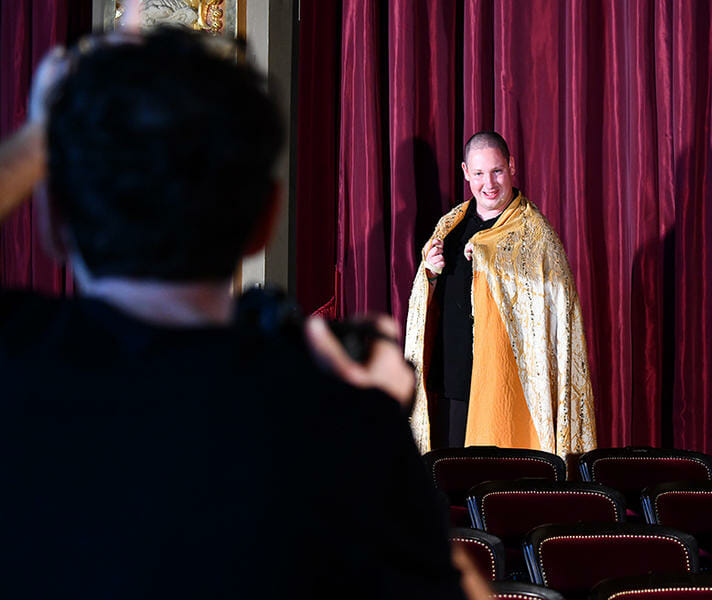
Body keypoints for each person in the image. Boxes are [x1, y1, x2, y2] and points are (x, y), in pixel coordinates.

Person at [0, 27, 470, 599]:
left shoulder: (15, 368)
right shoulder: (340, 427)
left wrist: (38, 136)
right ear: (265, 220)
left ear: (49, 220)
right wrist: (384, 442)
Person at [405, 131, 597, 456]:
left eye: (496, 171)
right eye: (479, 174)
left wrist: (490, 263)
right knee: (452, 488)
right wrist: (430, 274)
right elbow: (426, 303)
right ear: (466, 172)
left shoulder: (535, 235)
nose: (488, 184)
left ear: (512, 166)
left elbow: (552, 313)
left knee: (495, 485)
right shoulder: (450, 226)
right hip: (453, 382)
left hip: (504, 390)